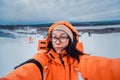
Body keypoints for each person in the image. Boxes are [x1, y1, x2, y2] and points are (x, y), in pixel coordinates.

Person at [0, 21, 120, 80]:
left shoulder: (79, 60)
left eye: (63, 37)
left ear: (71, 40)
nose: (57, 41)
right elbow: (29, 69)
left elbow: (101, 67)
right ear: (50, 39)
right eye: (54, 37)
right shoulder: (43, 57)